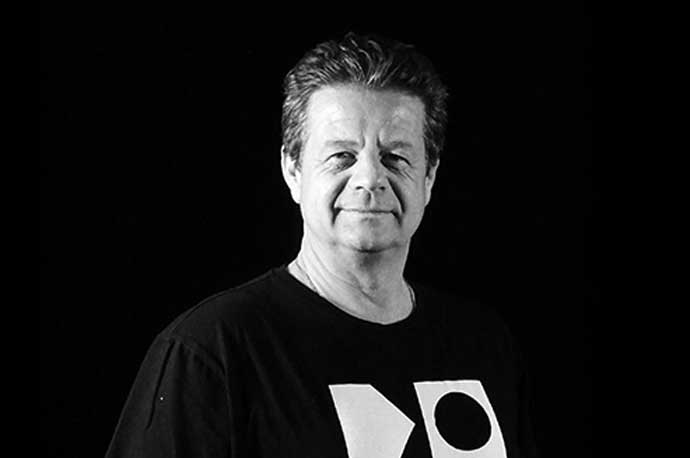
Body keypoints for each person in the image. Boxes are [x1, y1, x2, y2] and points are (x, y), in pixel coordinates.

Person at [105, 32, 538, 458]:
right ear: (292, 170)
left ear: (428, 177)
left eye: (395, 157)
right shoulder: (212, 351)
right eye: (342, 156)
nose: (370, 179)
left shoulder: (483, 345)